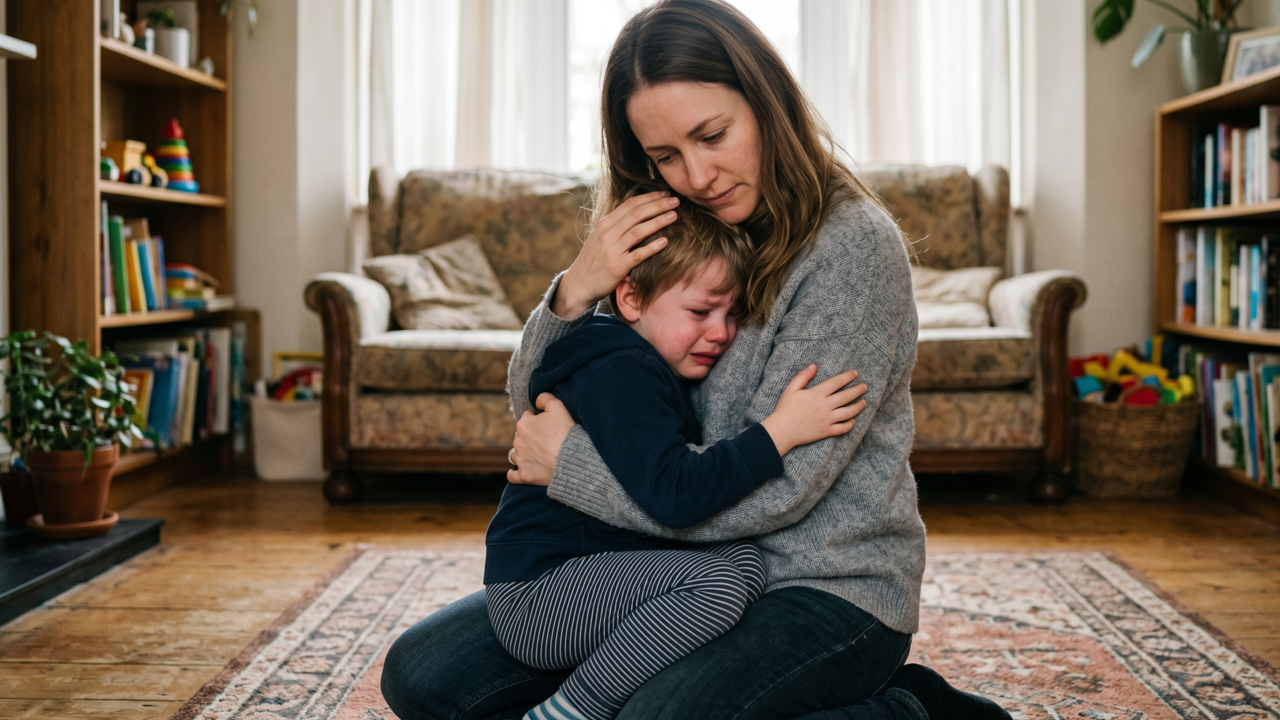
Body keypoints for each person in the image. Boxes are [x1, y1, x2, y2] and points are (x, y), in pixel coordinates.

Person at [382, 1, 1012, 718]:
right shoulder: (678, 224)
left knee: (654, 717)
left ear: (767, 102)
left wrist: (575, 473)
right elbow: (539, 398)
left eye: (713, 135)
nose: (699, 174)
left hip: (823, 583)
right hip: (669, 570)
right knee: (421, 675)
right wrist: (575, 288)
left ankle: (912, 710)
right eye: (665, 157)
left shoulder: (851, 249)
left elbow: (785, 493)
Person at [485, 201, 866, 720]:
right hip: (542, 597)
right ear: (632, 298)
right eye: (701, 312)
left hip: (571, 578)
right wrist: (779, 432)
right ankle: (575, 709)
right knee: (728, 576)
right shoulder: (623, 374)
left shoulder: (626, 358)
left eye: (732, 315)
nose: (722, 332)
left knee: (735, 566)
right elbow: (676, 495)